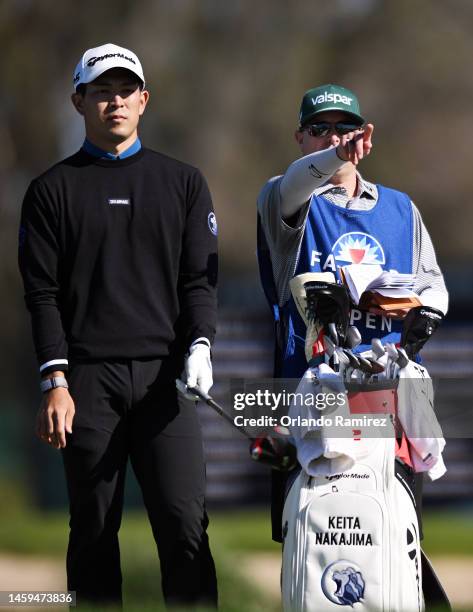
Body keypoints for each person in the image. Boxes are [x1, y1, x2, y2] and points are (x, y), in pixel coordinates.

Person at [18, 43, 218, 608]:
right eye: (101, 91)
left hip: (166, 381)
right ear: (79, 100)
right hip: (86, 383)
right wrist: (53, 381)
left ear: (144, 100)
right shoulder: (51, 190)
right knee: (93, 532)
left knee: (185, 528)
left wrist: (201, 345)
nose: (115, 102)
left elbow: (199, 282)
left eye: (126, 90)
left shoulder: (183, 183)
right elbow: (43, 294)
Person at [257, 84, 448, 541]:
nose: (332, 136)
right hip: (313, 402)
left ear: (366, 136)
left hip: (389, 403)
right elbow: (297, 181)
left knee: (390, 543)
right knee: (313, 547)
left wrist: (427, 314)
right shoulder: (284, 199)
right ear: (299, 139)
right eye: (319, 128)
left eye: (345, 128)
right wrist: (335, 155)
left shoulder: (402, 209)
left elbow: (433, 284)